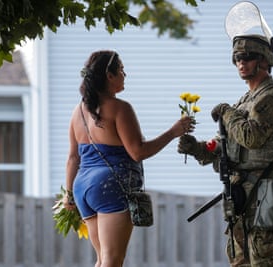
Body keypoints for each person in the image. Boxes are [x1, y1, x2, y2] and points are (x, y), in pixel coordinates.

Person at [178, 34, 273, 267]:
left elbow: (251, 137)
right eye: (236, 58)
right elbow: (221, 146)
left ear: (265, 61)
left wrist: (225, 111)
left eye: (248, 57)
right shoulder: (245, 101)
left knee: (265, 258)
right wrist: (196, 148)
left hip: (264, 190)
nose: (241, 63)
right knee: (239, 258)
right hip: (240, 193)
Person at [63, 50, 194, 267]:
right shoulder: (120, 109)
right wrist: (173, 132)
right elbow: (138, 152)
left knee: (102, 260)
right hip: (110, 186)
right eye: (122, 70)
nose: (125, 74)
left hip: (82, 188)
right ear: (109, 75)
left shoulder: (78, 111)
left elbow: (72, 158)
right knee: (113, 261)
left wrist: (69, 195)